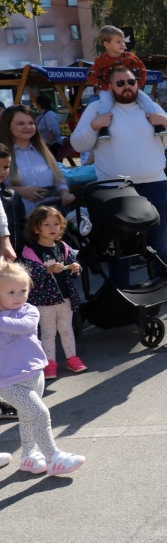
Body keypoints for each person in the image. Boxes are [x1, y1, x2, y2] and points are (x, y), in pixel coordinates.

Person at [70, 66, 167, 288]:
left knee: (156, 240)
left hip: (154, 184)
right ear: (110, 87)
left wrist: (166, 122)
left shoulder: (150, 107)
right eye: (120, 83)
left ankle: (166, 285)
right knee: (118, 244)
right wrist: (94, 126)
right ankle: (119, 292)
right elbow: (77, 144)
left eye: (130, 82)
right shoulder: (96, 109)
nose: (126, 87)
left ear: (137, 83)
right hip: (116, 188)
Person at [0, 260, 85, 476]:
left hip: (35, 373)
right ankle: (53, 456)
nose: (19, 296)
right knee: (39, 413)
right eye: (11, 292)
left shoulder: (29, 311)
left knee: (27, 416)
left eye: (23, 290)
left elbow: (25, 327)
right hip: (8, 381)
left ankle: (29, 455)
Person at [18, 206, 85, 378]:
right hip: (43, 301)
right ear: (36, 228)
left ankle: (72, 358)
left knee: (66, 329)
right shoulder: (31, 250)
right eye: (46, 224)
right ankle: (49, 363)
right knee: (48, 333)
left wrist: (76, 268)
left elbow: (74, 265)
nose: (52, 228)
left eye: (56, 224)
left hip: (65, 299)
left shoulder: (63, 247)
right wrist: (47, 270)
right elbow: (27, 273)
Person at [85, 25, 165, 141]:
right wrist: (105, 87)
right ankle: (103, 129)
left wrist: (136, 84)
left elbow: (142, 70)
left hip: (129, 88)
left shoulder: (130, 57)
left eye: (123, 41)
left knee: (146, 100)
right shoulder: (100, 60)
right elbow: (91, 75)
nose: (123, 44)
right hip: (110, 89)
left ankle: (158, 125)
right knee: (104, 104)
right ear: (107, 45)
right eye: (118, 42)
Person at [0, 106, 74, 215]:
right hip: (18, 222)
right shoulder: (2, 154)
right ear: (7, 126)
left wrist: (64, 193)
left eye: (31, 123)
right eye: (20, 123)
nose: (28, 127)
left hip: (50, 222)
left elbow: (58, 179)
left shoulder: (44, 152)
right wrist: (19, 191)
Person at [34, 96, 63, 161]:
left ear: (40, 104)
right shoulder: (39, 115)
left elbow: (52, 130)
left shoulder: (50, 114)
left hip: (52, 145)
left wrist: (47, 144)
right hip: (43, 144)